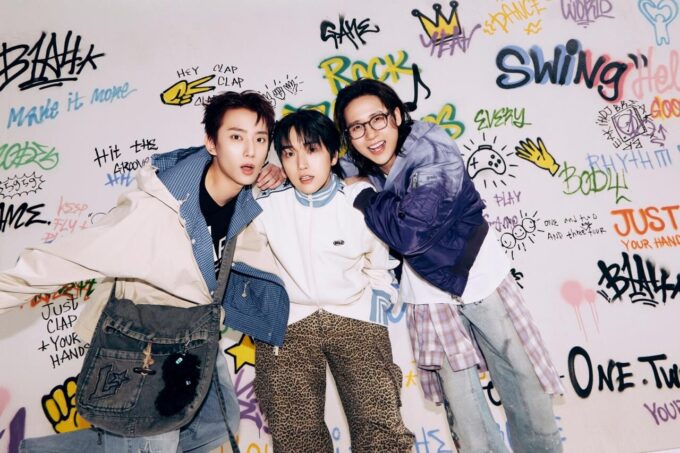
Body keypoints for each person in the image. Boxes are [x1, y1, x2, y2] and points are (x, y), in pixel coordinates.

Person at [0, 90, 288, 453]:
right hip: (146, 341)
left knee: (217, 424)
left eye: (259, 140)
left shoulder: (243, 199)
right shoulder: (156, 209)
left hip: (196, 332)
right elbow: (57, 261)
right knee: (152, 442)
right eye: (236, 137)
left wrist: (278, 167)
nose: (250, 151)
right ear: (211, 143)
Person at [334, 79, 564, 453]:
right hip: (427, 297)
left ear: (396, 116)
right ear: (348, 135)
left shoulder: (432, 150)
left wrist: (363, 195)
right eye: (356, 128)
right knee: (467, 417)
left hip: (479, 278)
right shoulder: (355, 163)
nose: (370, 134)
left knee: (525, 389)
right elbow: (317, 165)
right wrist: (278, 171)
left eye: (377, 119)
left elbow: (411, 234)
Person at [247, 109, 414, 453]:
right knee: (295, 436)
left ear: (333, 155)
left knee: (381, 429)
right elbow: (248, 265)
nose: (301, 164)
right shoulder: (266, 207)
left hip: (355, 319)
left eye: (312, 150)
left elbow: (379, 266)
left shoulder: (357, 203)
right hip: (287, 327)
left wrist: (373, 310)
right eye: (289, 153)